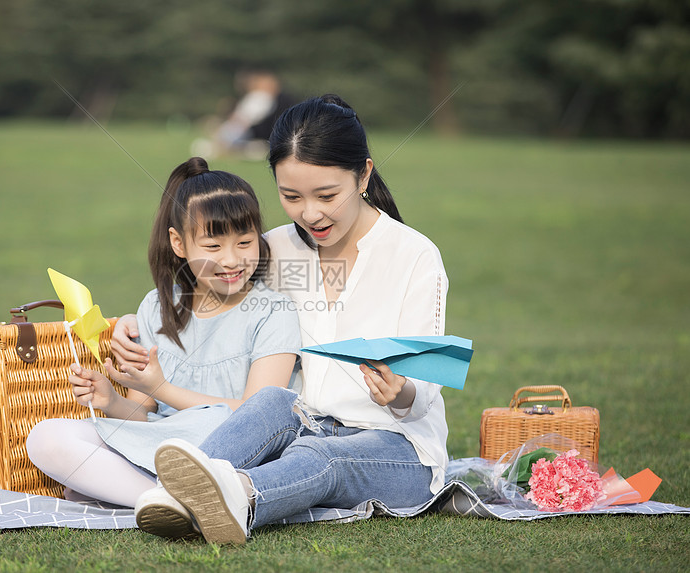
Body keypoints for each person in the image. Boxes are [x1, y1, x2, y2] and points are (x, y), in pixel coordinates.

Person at [114, 95, 450, 545]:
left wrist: (402, 391)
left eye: (327, 195)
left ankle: (238, 497)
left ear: (364, 174)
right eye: (291, 197)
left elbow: (424, 391)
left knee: (321, 456)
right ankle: (175, 497)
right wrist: (130, 321)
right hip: (303, 423)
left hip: (398, 447)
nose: (310, 214)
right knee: (271, 402)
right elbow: (203, 293)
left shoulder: (413, 256)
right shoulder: (275, 249)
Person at [25, 157, 302, 529]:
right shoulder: (155, 307)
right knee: (47, 437)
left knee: (199, 441)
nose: (232, 259)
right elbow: (145, 415)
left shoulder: (273, 311)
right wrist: (111, 399)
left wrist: (162, 388)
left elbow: (260, 415)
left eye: (245, 242)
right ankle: (177, 502)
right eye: (213, 246)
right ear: (179, 243)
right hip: (160, 443)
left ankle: (149, 495)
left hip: (227, 448)